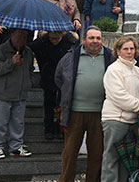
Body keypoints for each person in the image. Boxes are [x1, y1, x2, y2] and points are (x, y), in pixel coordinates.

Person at [56, 26, 114, 182]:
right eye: (91, 38)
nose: (95, 41)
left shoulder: (110, 56)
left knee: (96, 154)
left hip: (100, 113)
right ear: (83, 40)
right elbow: (59, 78)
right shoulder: (71, 56)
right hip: (75, 112)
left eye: (98, 38)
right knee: (69, 153)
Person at [101, 36, 139, 182]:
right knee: (111, 159)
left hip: (133, 121)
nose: (129, 52)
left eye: (132, 48)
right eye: (125, 49)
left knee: (126, 160)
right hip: (115, 120)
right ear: (118, 51)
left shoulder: (138, 70)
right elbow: (118, 95)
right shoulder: (113, 69)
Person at [0, 29, 34, 159]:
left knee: (18, 123)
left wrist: (29, 82)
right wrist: (11, 63)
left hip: (20, 94)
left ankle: (16, 146)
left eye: (24, 37)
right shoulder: (0, 50)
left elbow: (30, 69)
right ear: (12, 36)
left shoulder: (28, 52)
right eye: (19, 37)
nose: (22, 40)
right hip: (1, 93)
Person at [30, 31, 78, 139]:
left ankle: (60, 128)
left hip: (64, 78)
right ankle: (48, 128)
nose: (54, 41)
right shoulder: (42, 42)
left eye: (57, 39)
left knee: (62, 104)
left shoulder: (69, 42)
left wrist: (69, 35)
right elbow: (31, 47)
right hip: (48, 75)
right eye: (52, 39)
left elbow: (77, 44)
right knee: (49, 103)